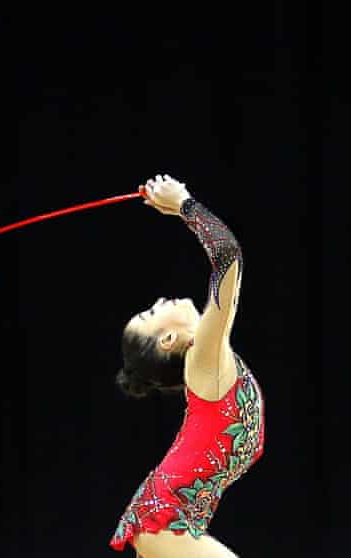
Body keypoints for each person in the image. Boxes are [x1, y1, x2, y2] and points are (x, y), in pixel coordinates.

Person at [109, 175, 265, 557]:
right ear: (167, 340)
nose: (160, 299)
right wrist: (183, 203)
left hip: (166, 521)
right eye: (151, 312)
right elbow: (228, 258)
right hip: (165, 522)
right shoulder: (203, 360)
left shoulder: (209, 361)